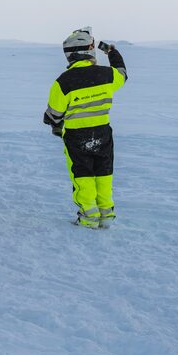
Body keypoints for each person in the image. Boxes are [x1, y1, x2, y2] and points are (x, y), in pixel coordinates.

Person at [42, 29, 127, 229]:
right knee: (104, 173)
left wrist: (52, 122)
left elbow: (53, 114)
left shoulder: (63, 82)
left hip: (76, 136)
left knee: (82, 175)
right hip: (103, 132)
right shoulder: (108, 75)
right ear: (90, 51)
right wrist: (112, 52)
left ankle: (88, 217)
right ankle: (106, 215)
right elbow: (122, 73)